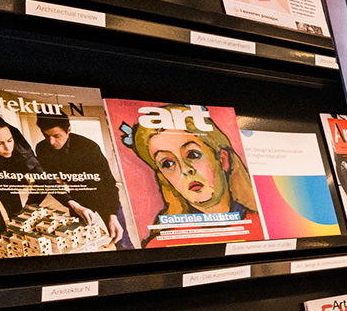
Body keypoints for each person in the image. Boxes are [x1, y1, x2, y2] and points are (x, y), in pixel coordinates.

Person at [119, 104, 262, 244]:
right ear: (165, 178)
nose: (185, 170)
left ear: (223, 159)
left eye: (193, 155)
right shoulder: (162, 244)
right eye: (167, 164)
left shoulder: (261, 226)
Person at [34, 112, 129, 248]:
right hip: (78, 199)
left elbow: (108, 182)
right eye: (46, 135)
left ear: (68, 130)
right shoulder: (42, 148)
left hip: (103, 196)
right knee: (80, 242)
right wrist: (74, 205)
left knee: (122, 241)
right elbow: (47, 181)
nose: (51, 142)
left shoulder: (89, 147)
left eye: (56, 136)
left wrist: (112, 214)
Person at [0, 111, 49, 252]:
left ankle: (19, 240)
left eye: (10, 141)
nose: (8, 148)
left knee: (16, 212)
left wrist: (30, 205)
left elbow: (43, 178)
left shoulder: (15, 138)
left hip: (8, 180)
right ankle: (2, 244)